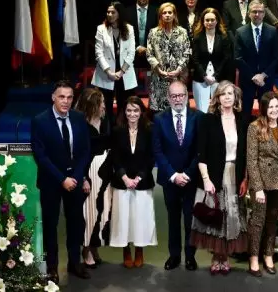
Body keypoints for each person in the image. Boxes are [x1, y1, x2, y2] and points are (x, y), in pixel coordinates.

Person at [31, 80, 91, 282]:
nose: (66, 101)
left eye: (69, 97)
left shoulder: (79, 118)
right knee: (51, 226)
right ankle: (52, 268)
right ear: (53, 98)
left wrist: (77, 176)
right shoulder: (40, 121)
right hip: (51, 183)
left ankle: (75, 263)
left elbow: (85, 151)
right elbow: (41, 156)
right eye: (61, 97)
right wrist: (62, 179)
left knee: (76, 224)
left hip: (74, 181)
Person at [191, 81, 249, 275]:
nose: (227, 97)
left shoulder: (242, 119)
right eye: (223, 94)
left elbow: (246, 153)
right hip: (215, 174)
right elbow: (201, 153)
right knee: (216, 215)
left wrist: (245, 179)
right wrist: (206, 180)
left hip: (235, 174)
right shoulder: (208, 120)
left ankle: (225, 256)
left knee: (232, 216)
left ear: (236, 97)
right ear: (217, 97)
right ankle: (216, 256)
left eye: (230, 94)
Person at [152, 81, 203, 271]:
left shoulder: (198, 117)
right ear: (168, 98)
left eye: (181, 95)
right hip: (169, 179)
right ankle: (174, 256)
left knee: (190, 220)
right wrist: (173, 175)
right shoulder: (159, 119)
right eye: (174, 96)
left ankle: (190, 257)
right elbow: (157, 151)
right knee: (173, 220)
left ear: (187, 96)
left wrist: (188, 174)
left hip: (191, 178)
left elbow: (200, 150)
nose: (178, 99)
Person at [109, 96, 157, 268]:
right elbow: (115, 157)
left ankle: (139, 250)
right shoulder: (117, 130)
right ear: (124, 112)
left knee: (140, 218)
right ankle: (126, 250)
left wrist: (138, 178)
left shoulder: (150, 130)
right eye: (129, 110)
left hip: (142, 182)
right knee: (123, 218)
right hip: (122, 182)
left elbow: (151, 157)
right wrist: (124, 177)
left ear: (141, 112)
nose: (132, 114)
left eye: (136, 110)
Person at [246, 91, 278, 277]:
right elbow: (251, 160)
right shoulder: (254, 127)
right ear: (264, 108)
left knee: (273, 221)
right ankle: (254, 257)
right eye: (270, 106)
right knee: (258, 222)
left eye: (277, 106)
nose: (274, 110)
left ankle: (269, 255)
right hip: (261, 183)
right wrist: (258, 188)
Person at [74, 88, 111, 269]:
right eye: (101, 102)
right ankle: (86, 249)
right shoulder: (79, 124)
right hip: (88, 175)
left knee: (101, 213)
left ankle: (95, 246)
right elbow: (78, 154)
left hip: (104, 174)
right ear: (92, 105)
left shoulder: (105, 121)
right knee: (88, 214)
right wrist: (83, 178)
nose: (105, 105)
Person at [92, 1, 137, 125]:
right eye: (108, 12)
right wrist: (109, 71)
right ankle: (107, 133)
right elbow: (98, 53)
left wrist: (121, 71)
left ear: (119, 13)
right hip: (106, 72)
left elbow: (131, 53)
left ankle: (123, 132)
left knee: (124, 105)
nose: (110, 14)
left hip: (124, 72)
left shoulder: (129, 28)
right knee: (106, 107)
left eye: (113, 12)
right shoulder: (101, 29)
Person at [234, 0, 278, 118]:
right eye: (254, 12)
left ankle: (266, 136)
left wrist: (263, 75)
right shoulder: (240, 32)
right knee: (245, 113)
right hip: (248, 79)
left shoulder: (272, 31)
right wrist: (253, 76)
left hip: (266, 79)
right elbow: (238, 58)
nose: (257, 14)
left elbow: (276, 57)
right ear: (249, 14)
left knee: (266, 112)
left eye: (260, 12)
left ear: (264, 14)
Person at [146, 2, 191, 114]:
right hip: (159, 77)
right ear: (160, 16)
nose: (167, 15)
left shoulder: (182, 32)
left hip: (178, 76)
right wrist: (159, 70)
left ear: (174, 15)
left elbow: (187, 52)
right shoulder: (153, 32)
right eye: (164, 13)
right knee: (158, 113)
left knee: (178, 109)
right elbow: (149, 53)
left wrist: (178, 69)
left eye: (170, 12)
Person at [191, 8, 233, 112]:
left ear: (217, 20)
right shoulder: (197, 38)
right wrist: (205, 76)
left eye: (212, 20)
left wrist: (215, 76)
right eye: (207, 20)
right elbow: (195, 59)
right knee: (202, 111)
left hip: (218, 79)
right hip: (201, 79)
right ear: (203, 21)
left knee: (219, 110)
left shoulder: (224, 37)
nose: (210, 22)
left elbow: (226, 58)